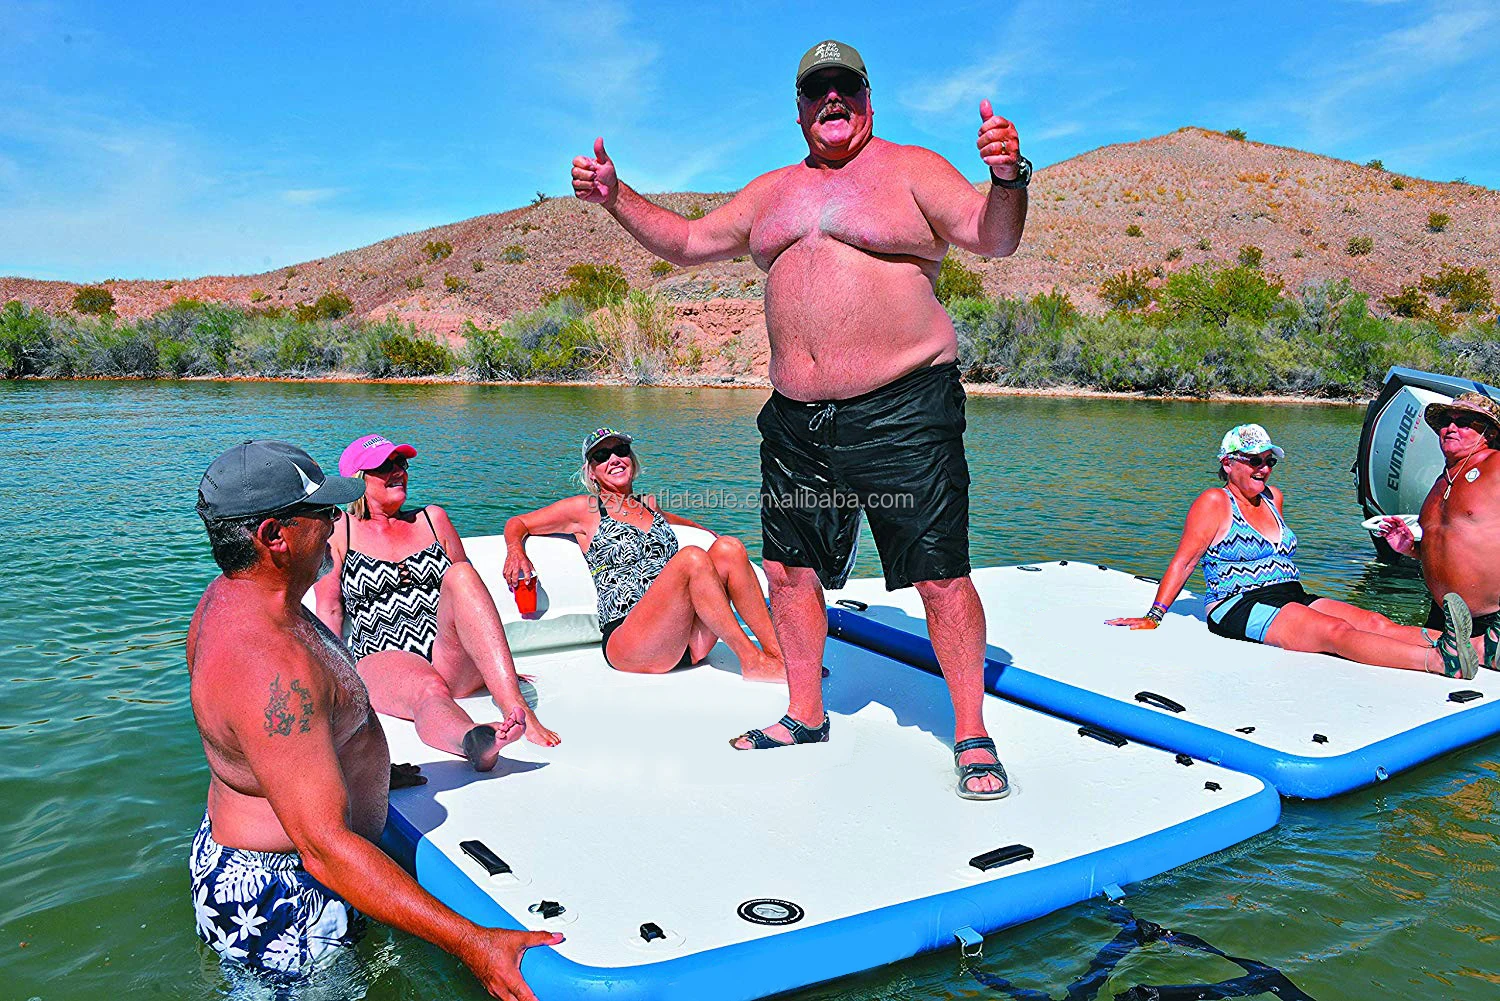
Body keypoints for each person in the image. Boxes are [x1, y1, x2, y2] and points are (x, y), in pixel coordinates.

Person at [569, 39, 1026, 799]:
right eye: (819, 92)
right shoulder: (771, 192)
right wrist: (617, 195)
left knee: (939, 577)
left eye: (845, 88)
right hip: (795, 418)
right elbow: (685, 243)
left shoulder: (912, 170)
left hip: (904, 409)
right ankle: (805, 711)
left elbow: (994, 234)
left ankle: (971, 731)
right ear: (800, 111)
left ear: (868, 100)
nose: (833, 101)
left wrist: (1008, 176)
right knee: (787, 568)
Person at [188, 440, 559, 994]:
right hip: (284, 895)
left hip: (282, 863)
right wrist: (473, 942)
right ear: (273, 536)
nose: (336, 521)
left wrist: (367, 770)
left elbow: (288, 754)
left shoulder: (236, 598)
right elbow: (325, 850)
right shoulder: (266, 665)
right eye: (320, 513)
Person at [1107, 424, 1479, 679]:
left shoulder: (1273, 499)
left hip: (1289, 593)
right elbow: (1185, 560)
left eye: (1270, 460)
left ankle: (1474, 649)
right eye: (1255, 460)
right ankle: (1441, 663)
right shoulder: (1214, 502)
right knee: (1335, 633)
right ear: (1228, 464)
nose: (1265, 468)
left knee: (1373, 621)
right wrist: (1154, 616)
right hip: (1238, 606)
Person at [312, 433, 559, 766]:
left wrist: (500, 669)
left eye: (401, 463)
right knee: (427, 688)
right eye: (384, 466)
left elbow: (468, 598)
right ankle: (472, 741)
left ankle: (517, 707)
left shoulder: (433, 519)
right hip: (385, 659)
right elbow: (329, 608)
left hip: (449, 656)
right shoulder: (339, 530)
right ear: (357, 481)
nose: (397, 470)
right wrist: (330, 685)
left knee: (461, 574)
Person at [502, 427, 785, 680]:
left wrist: (708, 533)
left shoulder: (648, 505)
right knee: (691, 558)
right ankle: (751, 660)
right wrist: (516, 551)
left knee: (730, 547)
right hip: (631, 642)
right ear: (591, 471)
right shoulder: (585, 508)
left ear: (631, 460)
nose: (614, 459)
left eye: (620, 451)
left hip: (684, 641)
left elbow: (684, 523)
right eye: (601, 455)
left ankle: (780, 657)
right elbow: (519, 523)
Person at [1379, 392, 1500, 670]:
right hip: (1444, 618)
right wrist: (1410, 548)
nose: (1451, 428)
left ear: (1490, 433)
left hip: (1492, 622)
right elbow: (1453, 548)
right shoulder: (1441, 480)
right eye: (1447, 420)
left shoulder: (1495, 465)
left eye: (1465, 422)